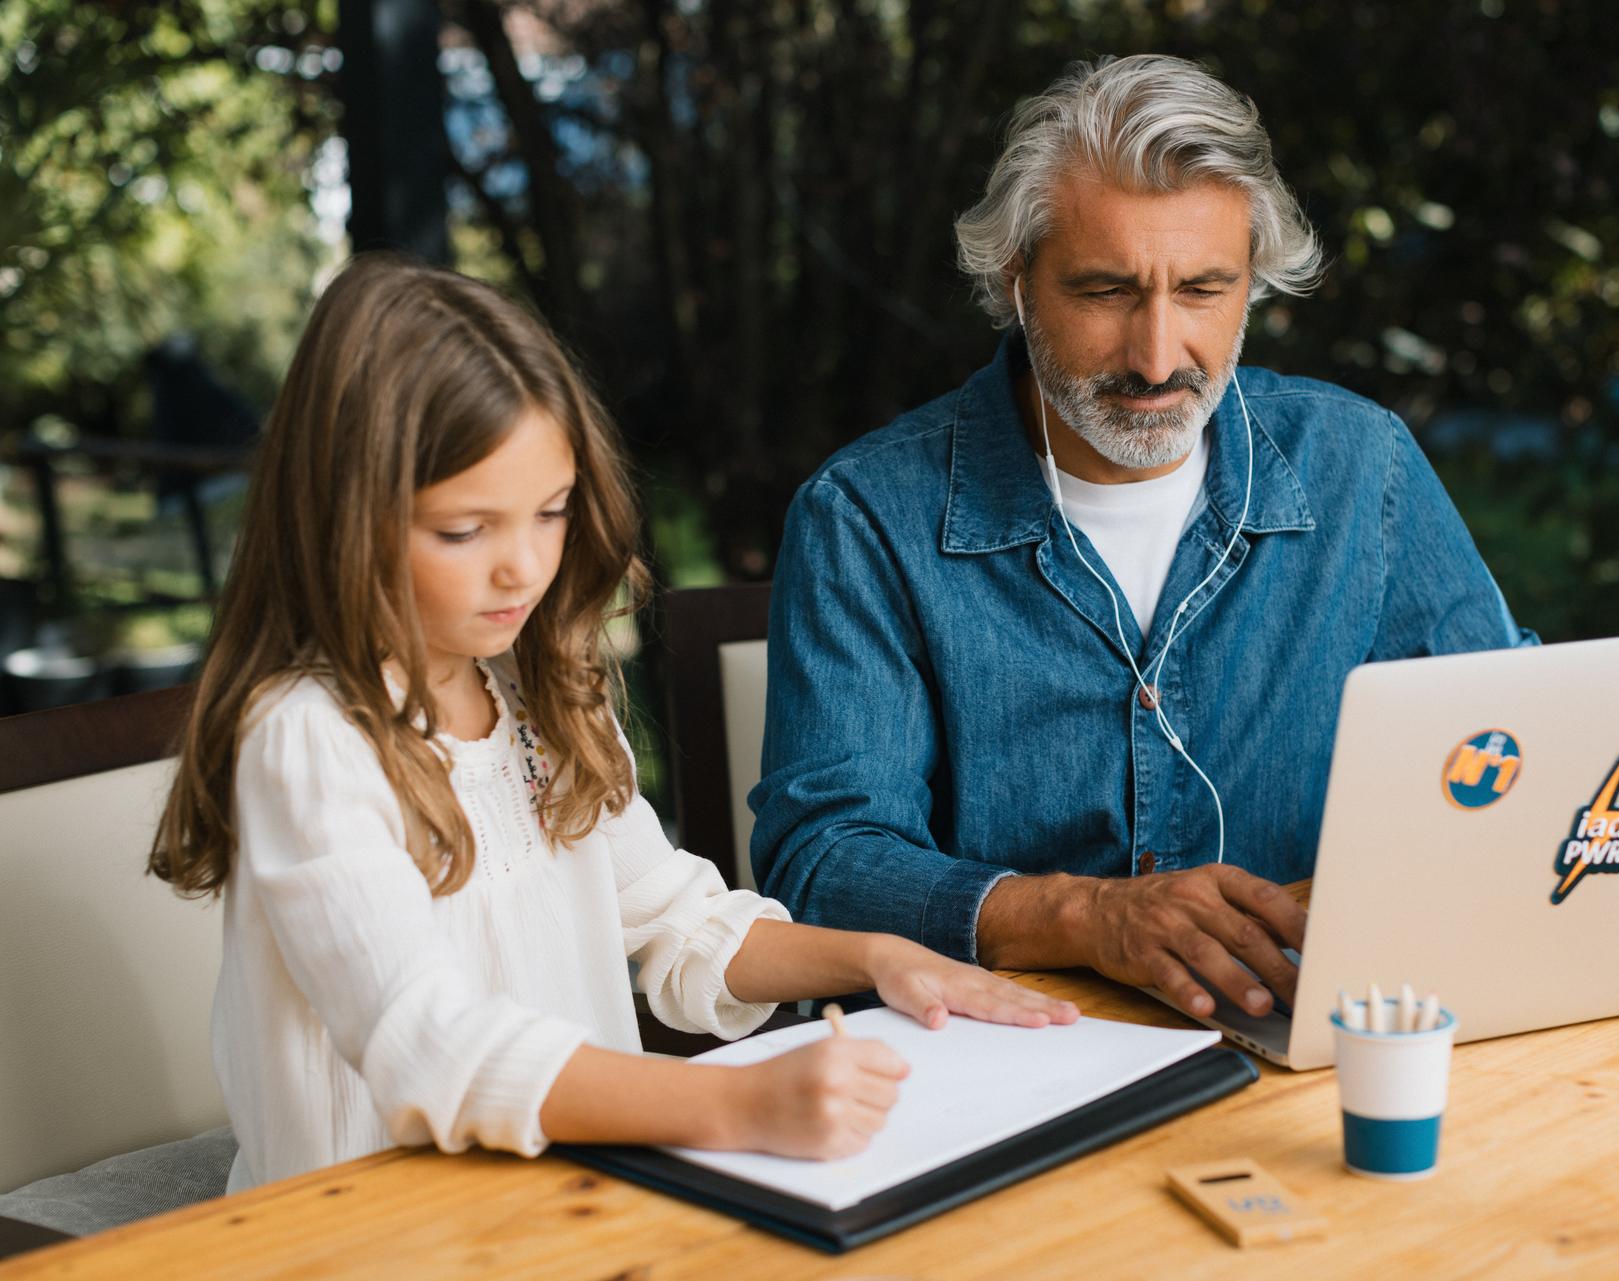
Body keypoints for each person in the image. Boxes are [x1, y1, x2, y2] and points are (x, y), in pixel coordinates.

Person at [147, 255, 1075, 1194]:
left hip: (564, 1208)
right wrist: (738, 1106)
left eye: (550, 513)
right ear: (342, 518)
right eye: (465, 531)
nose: (523, 568)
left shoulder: (540, 698)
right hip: (364, 1235)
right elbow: (431, 1047)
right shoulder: (310, 738)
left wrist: (881, 957)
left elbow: (684, 923)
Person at [752, 55, 1534, 1026]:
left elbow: (1514, 744)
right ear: (1018, 279)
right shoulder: (867, 517)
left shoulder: (1359, 466)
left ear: (1254, 283)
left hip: (1315, 1030)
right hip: (1008, 1056)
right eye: (1106, 292)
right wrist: (1087, 917)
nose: (1158, 358)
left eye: (1204, 290)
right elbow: (823, 863)